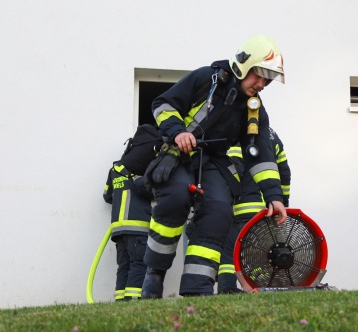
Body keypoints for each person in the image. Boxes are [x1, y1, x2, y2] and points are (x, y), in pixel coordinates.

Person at [141, 34, 288, 298]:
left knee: (219, 211)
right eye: (259, 75)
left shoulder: (254, 109)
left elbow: (260, 154)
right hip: (180, 154)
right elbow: (162, 104)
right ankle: (154, 275)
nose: (262, 84)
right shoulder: (204, 78)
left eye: (268, 79)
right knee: (174, 199)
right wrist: (177, 132)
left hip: (214, 163)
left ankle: (197, 290)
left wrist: (275, 197)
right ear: (244, 65)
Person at [218, 127, 291, 294]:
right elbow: (285, 173)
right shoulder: (272, 135)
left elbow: (233, 168)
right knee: (263, 252)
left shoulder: (237, 133)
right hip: (269, 211)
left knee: (230, 252)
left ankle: (227, 288)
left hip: (241, 210)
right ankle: (263, 287)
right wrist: (282, 204)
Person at [103, 161, 154, 301]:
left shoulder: (114, 170)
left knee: (123, 265)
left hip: (118, 229)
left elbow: (107, 195)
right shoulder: (143, 167)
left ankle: (120, 301)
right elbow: (151, 191)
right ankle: (133, 300)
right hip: (137, 226)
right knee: (139, 263)